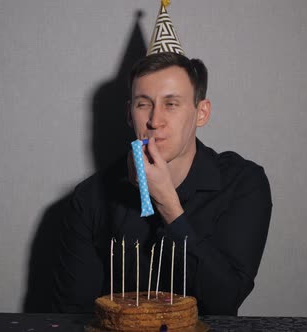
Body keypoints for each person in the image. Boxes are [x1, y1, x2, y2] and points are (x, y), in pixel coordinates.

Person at [46, 51, 272, 316]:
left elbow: (223, 302)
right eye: (143, 104)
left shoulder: (242, 183)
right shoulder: (90, 198)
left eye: (171, 104)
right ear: (130, 115)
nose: (154, 121)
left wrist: (168, 205)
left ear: (201, 113)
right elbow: (74, 316)